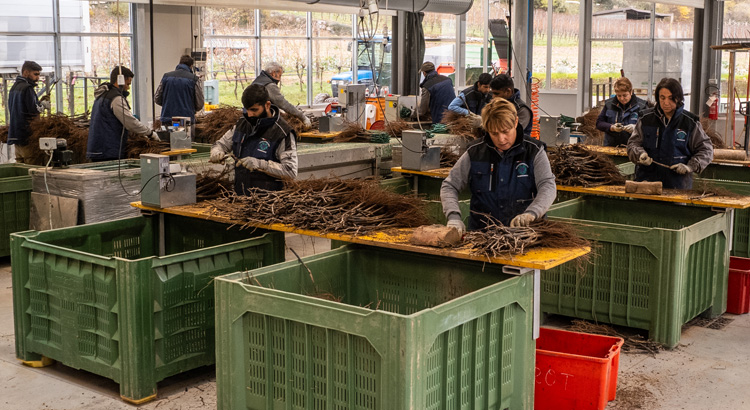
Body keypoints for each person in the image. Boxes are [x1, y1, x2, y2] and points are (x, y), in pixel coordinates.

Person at [441, 98, 556, 233]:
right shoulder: (475, 152)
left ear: (516, 122)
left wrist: (532, 213)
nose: (501, 139)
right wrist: (453, 216)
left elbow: (548, 186)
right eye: (494, 133)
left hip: (526, 235)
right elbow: (450, 186)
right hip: (483, 236)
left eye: (505, 131)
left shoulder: (534, 151)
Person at [209, 84, 298, 194]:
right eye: (247, 110)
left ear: (267, 105)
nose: (250, 114)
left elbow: (290, 171)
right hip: (241, 197)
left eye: (254, 110)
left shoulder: (283, 133)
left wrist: (261, 164)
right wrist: (217, 151)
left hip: (269, 202)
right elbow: (221, 144)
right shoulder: (242, 124)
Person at [627, 77, 713, 190]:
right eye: (662, 98)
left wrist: (689, 167)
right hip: (646, 183)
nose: (666, 103)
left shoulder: (689, 122)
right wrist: (640, 154)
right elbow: (633, 144)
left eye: (670, 98)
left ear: (678, 98)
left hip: (677, 185)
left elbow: (706, 149)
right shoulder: (646, 119)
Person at [86, 66, 159, 162]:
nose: (128, 88)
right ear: (120, 81)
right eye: (128, 84)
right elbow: (130, 122)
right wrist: (150, 133)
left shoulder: (102, 96)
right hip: (108, 151)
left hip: (97, 149)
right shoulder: (116, 98)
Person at [7, 60, 50, 163]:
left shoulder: (14, 87)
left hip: (16, 135)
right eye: (35, 74)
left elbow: (21, 108)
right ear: (26, 72)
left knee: (21, 168)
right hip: (27, 136)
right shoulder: (27, 88)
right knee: (32, 168)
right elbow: (33, 111)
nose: (38, 78)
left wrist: (38, 102)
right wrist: (43, 105)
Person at [251, 62, 311, 128]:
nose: (279, 79)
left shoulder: (258, 81)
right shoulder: (269, 85)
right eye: (280, 75)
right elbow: (284, 104)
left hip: (251, 118)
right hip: (261, 122)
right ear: (273, 73)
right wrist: (303, 118)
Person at [595, 77, 646, 147]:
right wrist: (612, 127)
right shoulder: (609, 104)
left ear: (631, 92)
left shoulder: (642, 106)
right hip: (611, 147)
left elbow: (651, 128)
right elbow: (599, 123)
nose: (622, 99)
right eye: (619, 96)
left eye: (625, 95)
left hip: (634, 149)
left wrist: (636, 128)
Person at [154, 54, 204, 124]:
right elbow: (200, 104)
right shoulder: (193, 79)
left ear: (180, 63)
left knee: (169, 134)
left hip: (168, 119)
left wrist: (168, 105)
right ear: (191, 66)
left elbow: (157, 98)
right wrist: (191, 108)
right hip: (186, 120)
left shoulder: (166, 77)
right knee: (185, 135)